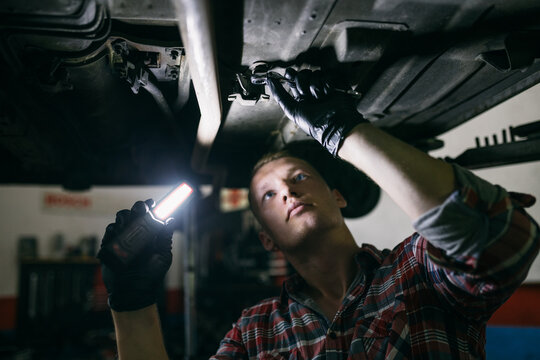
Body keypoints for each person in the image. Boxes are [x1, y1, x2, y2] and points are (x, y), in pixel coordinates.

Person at [97, 69, 540, 359]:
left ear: (339, 196)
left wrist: (348, 133)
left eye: (299, 178)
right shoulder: (255, 334)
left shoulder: (416, 272)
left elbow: (504, 241)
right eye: (268, 196)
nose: (287, 190)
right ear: (266, 238)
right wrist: (132, 303)